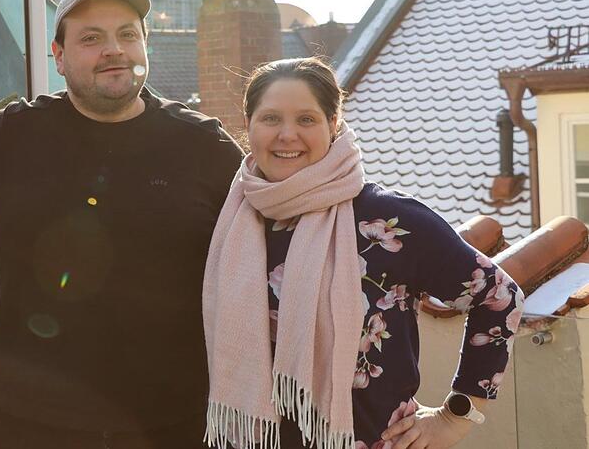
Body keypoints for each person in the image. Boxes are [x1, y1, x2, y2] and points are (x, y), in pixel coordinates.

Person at [0, 0, 243, 449]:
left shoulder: (204, 146)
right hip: (34, 425)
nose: (115, 50)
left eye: (127, 34)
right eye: (91, 38)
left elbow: (289, 232)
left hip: (173, 424)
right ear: (59, 55)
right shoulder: (9, 138)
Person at [202, 57, 522, 449]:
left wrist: (455, 416)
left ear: (334, 124)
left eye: (306, 119)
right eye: (270, 119)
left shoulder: (389, 220)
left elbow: (499, 296)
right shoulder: (229, 224)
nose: (287, 134)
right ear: (248, 125)